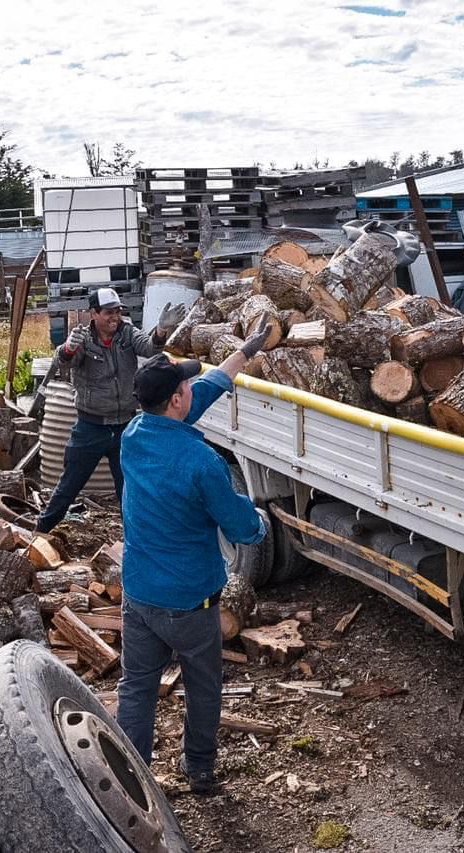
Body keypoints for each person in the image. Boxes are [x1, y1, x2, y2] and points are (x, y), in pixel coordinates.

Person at [115, 324, 272, 795]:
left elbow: (200, 392)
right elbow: (242, 528)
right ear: (176, 400)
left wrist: (242, 355)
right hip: (190, 601)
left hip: (139, 593)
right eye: (184, 385)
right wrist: (259, 520)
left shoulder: (134, 433)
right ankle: (199, 768)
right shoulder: (202, 462)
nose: (189, 388)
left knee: (136, 686)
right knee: (203, 684)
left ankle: (132, 777)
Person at [35, 287, 186, 533]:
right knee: (69, 485)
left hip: (125, 426)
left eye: (117, 311)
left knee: (128, 487)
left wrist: (161, 330)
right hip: (90, 427)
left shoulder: (126, 333)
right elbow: (62, 363)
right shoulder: (82, 338)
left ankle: (134, 538)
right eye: (108, 312)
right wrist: (67, 348)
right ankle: (41, 530)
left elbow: (149, 348)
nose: (114, 317)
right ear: (93, 313)